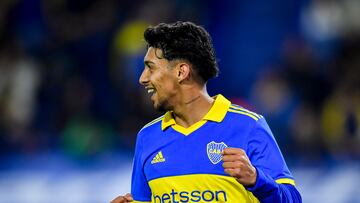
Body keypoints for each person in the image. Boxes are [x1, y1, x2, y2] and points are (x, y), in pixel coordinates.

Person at [111, 21, 302, 203]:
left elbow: (292, 199)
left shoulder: (248, 126)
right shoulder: (147, 137)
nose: (142, 79)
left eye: (150, 68)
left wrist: (256, 179)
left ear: (181, 72)